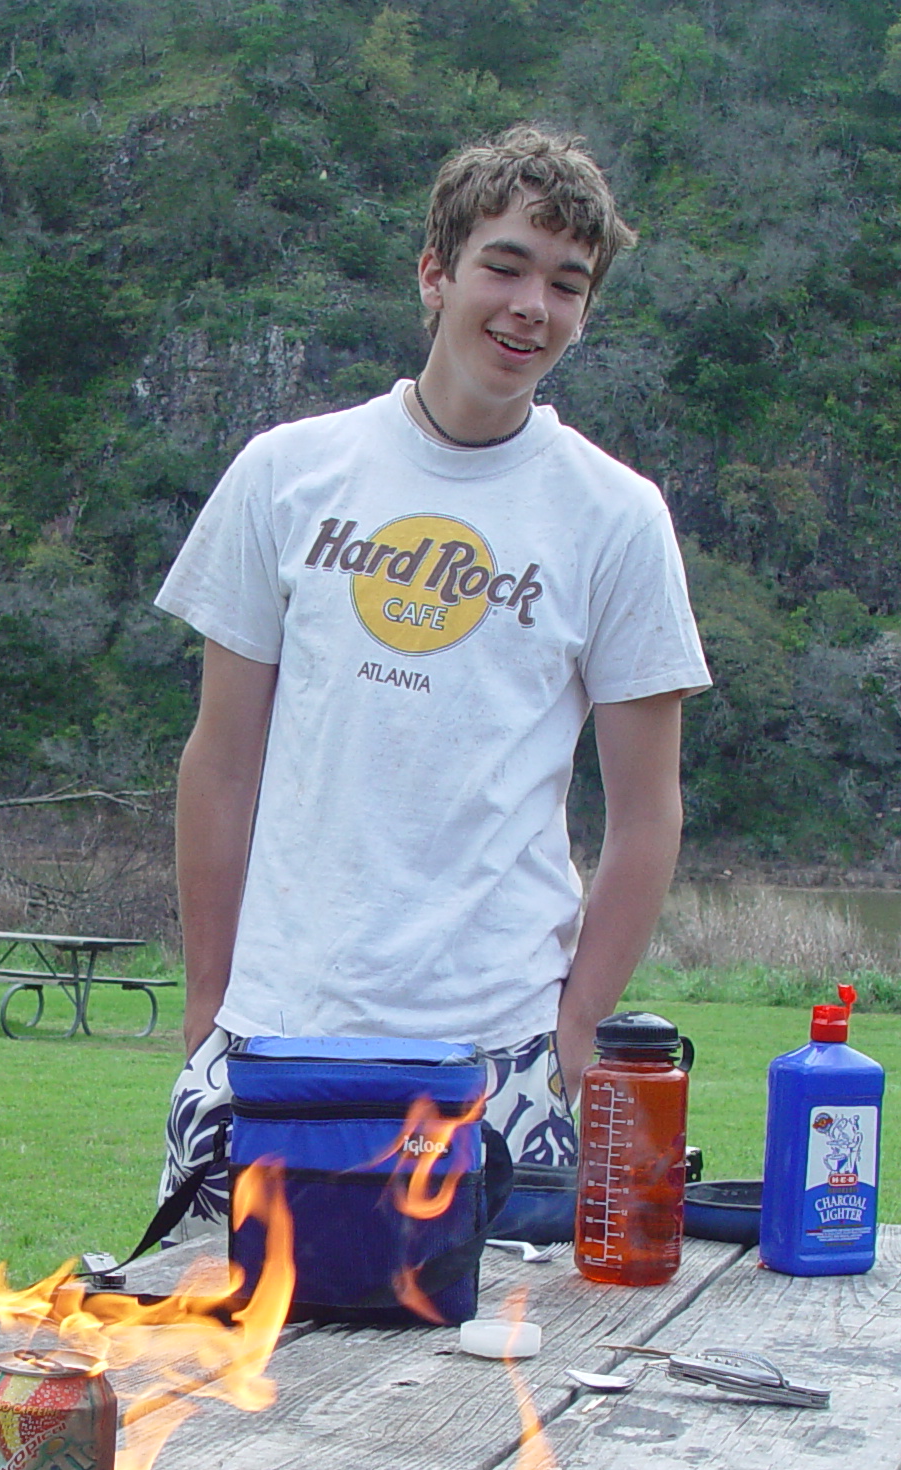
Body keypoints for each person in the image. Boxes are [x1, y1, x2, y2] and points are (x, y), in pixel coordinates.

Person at [155, 124, 709, 1221]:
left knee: (479, 1391)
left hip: (494, 1055)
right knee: (226, 1381)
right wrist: (210, 1000)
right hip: (275, 1039)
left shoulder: (615, 517)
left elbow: (647, 813)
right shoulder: (286, 473)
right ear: (434, 272)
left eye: (566, 284)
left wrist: (578, 1026)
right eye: (503, 265)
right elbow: (221, 765)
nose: (530, 308)